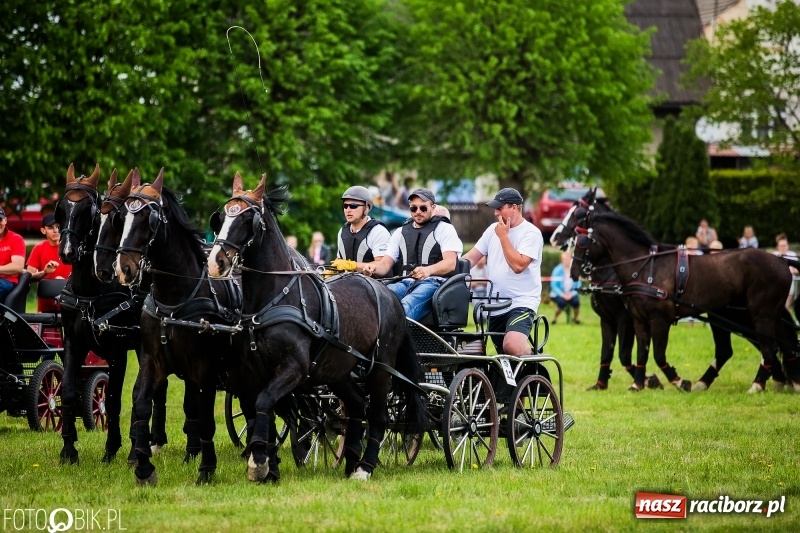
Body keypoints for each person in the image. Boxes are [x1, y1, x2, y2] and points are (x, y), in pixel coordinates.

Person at [462, 187, 543, 356]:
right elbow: (470, 258)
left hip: (521, 302)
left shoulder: (531, 233)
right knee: (502, 354)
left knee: (512, 346)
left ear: (514, 207)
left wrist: (504, 237)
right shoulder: (492, 230)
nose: (495, 213)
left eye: (499, 208)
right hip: (496, 304)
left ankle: (534, 360)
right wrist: (444, 270)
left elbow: (518, 266)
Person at [363, 188, 462, 320]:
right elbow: (385, 265)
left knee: (404, 307)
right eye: (413, 208)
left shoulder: (444, 228)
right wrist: (373, 268)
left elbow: (450, 263)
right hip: (404, 283)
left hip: (433, 284)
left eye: (423, 208)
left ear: (432, 207)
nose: (418, 212)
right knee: (374, 299)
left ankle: (397, 339)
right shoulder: (400, 232)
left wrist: (428, 270)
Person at [332, 186, 391, 272]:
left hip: (376, 283)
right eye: (345, 206)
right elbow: (340, 260)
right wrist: (332, 270)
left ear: (366, 208)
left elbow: (382, 266)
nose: (348, 210)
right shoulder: (342, 232)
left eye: (353, 206)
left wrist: (352, 265)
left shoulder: (379, 232)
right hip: (347, 283)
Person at [26, 213, 72, 311]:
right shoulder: (39, 249)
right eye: (51, 228)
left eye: (58, 227)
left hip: (70, 302)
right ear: (43, 230)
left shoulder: (71, 248)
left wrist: (63, 282)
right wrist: (45, 272)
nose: (55, 230)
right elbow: (28, 276)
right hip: (46, 303)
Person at [0, 207, 26, 304]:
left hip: (6, 282)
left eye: (0, 220)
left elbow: (18, 267)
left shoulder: (16, 239)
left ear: (5, 220)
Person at [549, 250, 580, 325]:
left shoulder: (574, 269)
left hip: (571, 293)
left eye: (568, 259)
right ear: (561, 260)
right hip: (559, 294)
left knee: (576, 302)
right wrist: (562, 295)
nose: (566, 261)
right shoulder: (557, 270)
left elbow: (578, 284)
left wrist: (572, 294)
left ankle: (575, 319)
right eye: (565, 259)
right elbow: (553, 285)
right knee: (561, 303)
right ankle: (555, 319)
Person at [772, 233, 799, 311]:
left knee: (785, 308)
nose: (784, 247)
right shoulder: (774, 255)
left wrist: (794, 271)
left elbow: (798, 269)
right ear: (778, 246)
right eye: (781, 246)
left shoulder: (792, 255)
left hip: (789, 285)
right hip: (776, 285)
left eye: (785, 245)